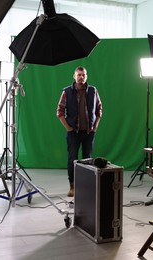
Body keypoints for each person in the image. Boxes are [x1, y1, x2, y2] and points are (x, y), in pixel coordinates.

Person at [56, 66, 103, 197]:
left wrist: (95, 126)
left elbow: (99, 109)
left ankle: (87, 186)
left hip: (88, 132)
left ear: (86, 76)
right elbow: (59, 111)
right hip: (73, 133)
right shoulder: (66, 92)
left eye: (83, 75)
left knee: (88, 160)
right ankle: (72, 186)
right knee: (72, 159)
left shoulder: (93, 91)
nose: (81, 77)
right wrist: (68, 128)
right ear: (74, 76)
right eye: (79, 75)